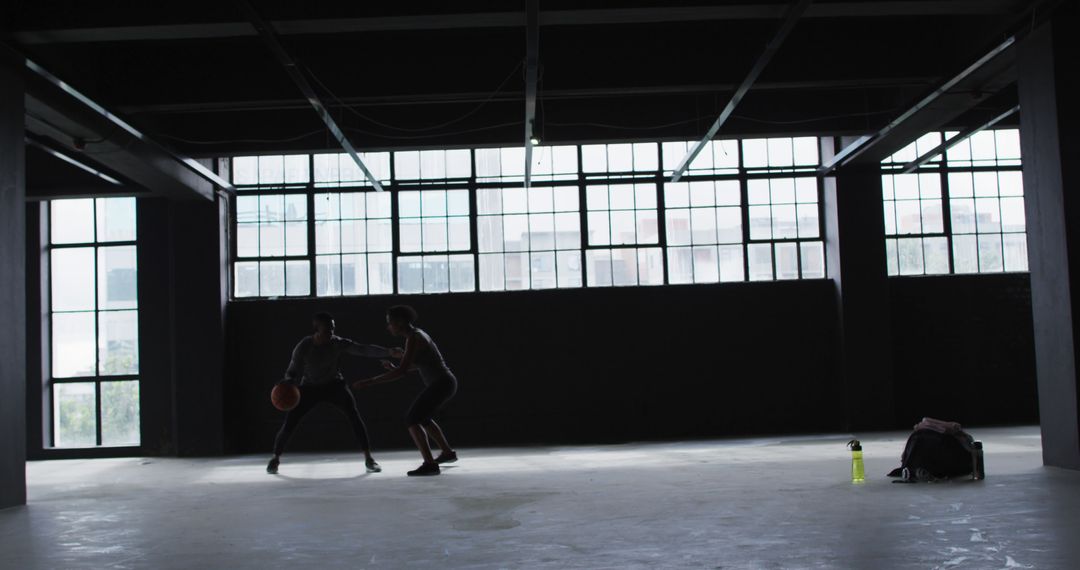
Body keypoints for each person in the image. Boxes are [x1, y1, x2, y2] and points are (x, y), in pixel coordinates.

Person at [267, 312, 402, 475]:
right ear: (316, 330)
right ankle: (275, 459)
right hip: (309, 387)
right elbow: (292, 370)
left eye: (333, 329)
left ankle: (369, 459)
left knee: (354, 417)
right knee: (290, 421)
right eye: (327, 330)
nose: (331, 332)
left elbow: (363, 349)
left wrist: (389, 351)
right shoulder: (304, 345)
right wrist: (288, 381)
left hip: (334, 386)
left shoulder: (337, 343)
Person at [352, 305, 458, 476]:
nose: (389, 327)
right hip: (443, 383)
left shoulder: (414, 338)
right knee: (423, 418)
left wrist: (370, 381)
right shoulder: (416, 335)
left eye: (390, 323)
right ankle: (447, 453)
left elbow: (402, 371)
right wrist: (394, 367)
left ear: (400, 322)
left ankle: (429, 464)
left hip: (442, 383)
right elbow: (416, 365)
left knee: (412, 419)